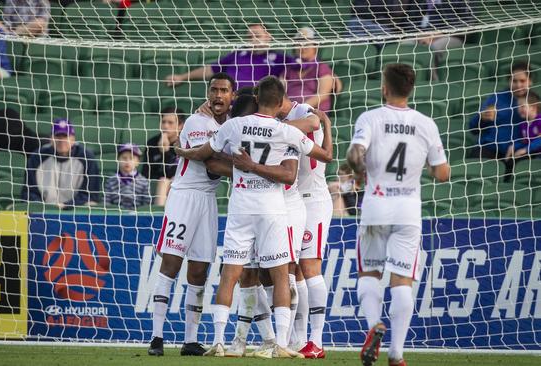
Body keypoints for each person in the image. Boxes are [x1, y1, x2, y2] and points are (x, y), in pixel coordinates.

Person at [174, 75, 331, 358]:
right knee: (282, 275)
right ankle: (281, 342)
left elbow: (204, 154)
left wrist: (182, 150)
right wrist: (327, 127)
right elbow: (323, 158)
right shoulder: (287, 131)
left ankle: (220, 341)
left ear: (256, 97)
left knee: (231, 274)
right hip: (274, 210)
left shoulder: (234, 126)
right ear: (280, 100)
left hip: (241, 208)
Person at [346, 63, 450, 366]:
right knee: (402, 281)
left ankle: (373, 325)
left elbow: (354, 155)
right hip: (408, 211)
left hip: (376, 207)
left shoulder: (371, 118)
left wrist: (361, 169)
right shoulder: (426, 123)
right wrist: (432, 167)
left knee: (369, 274)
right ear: (411, 88)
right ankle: (397, 354)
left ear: (384, 87)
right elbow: (442, 172)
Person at [147, 73, 235, 357]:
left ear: (231, 97)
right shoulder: (198, 122)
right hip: (184, 197)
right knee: (171, 264)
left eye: (224, 90)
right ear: (208, 94)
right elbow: (209, 162)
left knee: (199, 270)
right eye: (214, 90)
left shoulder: (230, 127)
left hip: (208, 201)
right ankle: (156, 337)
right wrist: (246, 170)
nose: (218, 95)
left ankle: (190, 340)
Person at [165, 23, 294, 89]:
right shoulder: (237, 55)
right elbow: (211, 70)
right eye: (249, 37)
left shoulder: (279, 59)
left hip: (258, 106)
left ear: (268, 37)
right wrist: (182, 76)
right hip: (230, 103)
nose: (253, 39)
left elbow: (304, 68)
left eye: (257, 36)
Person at [22, 118, 101, 208]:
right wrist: (44, 206)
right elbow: (29, 192)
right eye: (57, 137)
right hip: (45, 211)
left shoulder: (86, 158)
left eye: (65, 136)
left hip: (76, 210)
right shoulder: (37, 157)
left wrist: (67, 205)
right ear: (51, 138)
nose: (61, 141)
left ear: (73, 139)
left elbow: (90, 195)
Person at [469, 61, 530, 169]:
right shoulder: (496, 98)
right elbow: (472, 128)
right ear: (508, 81)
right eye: (514, 81)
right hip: (489, 149)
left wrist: (519, 146)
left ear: (530, 81)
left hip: (519, 152)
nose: (518, 85)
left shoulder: (534, 102)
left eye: (522, 81)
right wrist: (482, 118)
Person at [283, 27, 342, 113]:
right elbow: (281, 92)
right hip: (288, 113)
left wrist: (298, 109)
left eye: (306, 44)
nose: (302, 47)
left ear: (315, 46)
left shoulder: (322, 68)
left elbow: (323, 95)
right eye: (298, 43)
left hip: (313, 114)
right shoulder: (288, 68)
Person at [141, 106, 186, 206]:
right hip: (153, 189)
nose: (165, 126)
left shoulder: (184, 144)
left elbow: (177, 174)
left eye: (170, 123)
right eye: (163, 122)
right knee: (163, 181)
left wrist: (165, 153)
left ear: (180, 126)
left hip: (179, 189)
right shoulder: (152, 142)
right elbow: (146, 173)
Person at [104, 144, 151, 210]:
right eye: (124, 158)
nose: (127, 161)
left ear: (137, 162)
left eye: (131, 158)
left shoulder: (144, 182)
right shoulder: (111, 181)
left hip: (137, 216)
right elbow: (106, 202)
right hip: (116, 215)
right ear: (118, 160)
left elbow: (147, 205)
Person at [508, 91, 541, 159]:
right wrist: (514, 146)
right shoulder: (523, 125)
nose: (519, 109)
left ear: (533, 107)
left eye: (522, 106)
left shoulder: (539, 120)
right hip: (532, 153)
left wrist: (525, 149)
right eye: (518, 107)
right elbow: (524, 142)